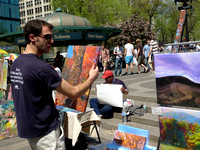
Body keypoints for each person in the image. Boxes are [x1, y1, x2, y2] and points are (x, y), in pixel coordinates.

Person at [10, 20, 99, 150]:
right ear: (32, 38)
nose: (51, 41)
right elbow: (74, 93)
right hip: (46, 132)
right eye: (47, 37)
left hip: (31, 129)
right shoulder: (42, 68)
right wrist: (91, 78)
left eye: (52, 37)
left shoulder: (17, 63)